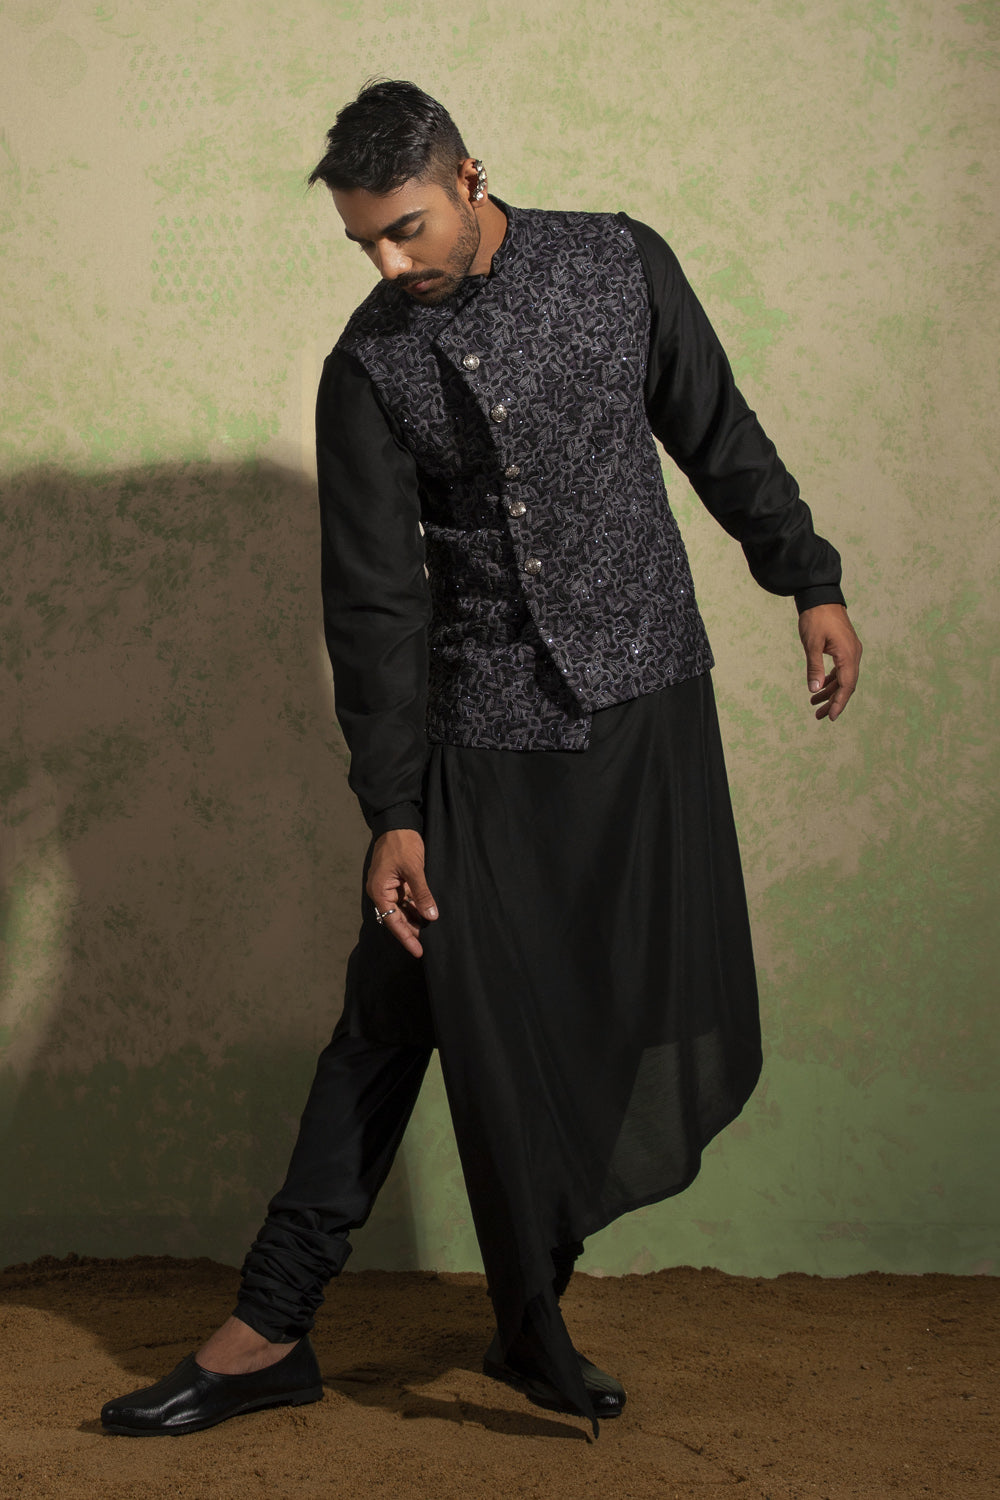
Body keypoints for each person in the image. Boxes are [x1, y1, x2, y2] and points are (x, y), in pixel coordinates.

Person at [101, 79, 862, 1439]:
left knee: (605, 1003)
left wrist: (806, 575)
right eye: (363, 245)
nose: (389, 267)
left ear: (469, 177)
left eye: (404, 230)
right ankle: (270, 1325)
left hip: (647, 699)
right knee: (396, 1006)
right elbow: (374, 607)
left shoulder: (619, 261)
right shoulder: (369, 365)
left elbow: (714, 431)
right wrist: (394, 808)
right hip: (484, 729)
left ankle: (526, 1311)